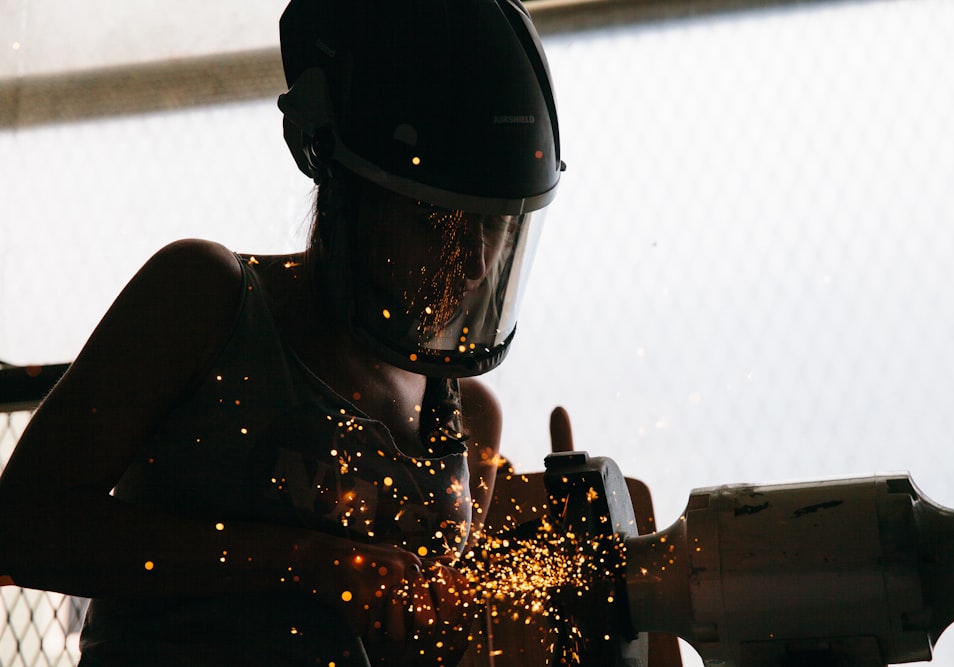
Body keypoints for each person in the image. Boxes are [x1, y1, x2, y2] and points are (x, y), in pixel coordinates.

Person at [0, 0, 563, 664]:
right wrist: (302, 560)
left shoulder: (468, 420)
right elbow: (23, 525)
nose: (473, 264)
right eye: (439, 226)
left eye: (495, 228)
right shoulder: (203, 299)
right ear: (345, 183)